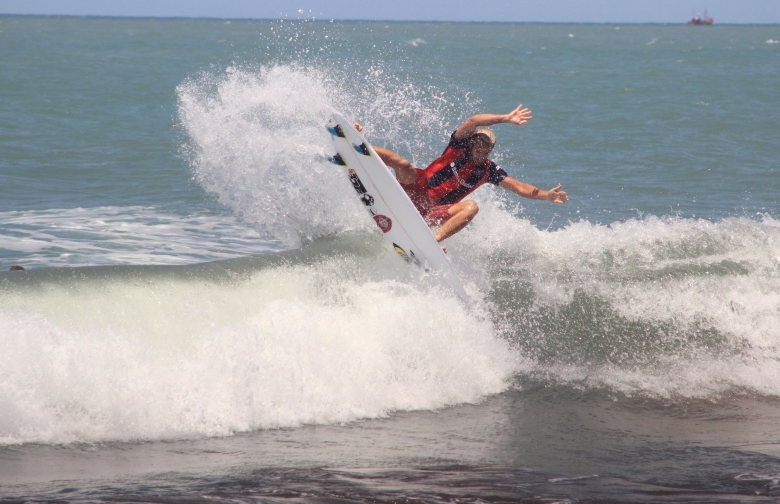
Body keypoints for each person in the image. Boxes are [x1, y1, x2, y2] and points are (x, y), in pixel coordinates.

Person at [355, 104, 568, 243]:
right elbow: (475, 121)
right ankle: (356, 145)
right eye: (478, 141)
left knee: (472, 207)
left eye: (486, 145)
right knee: (403, 165)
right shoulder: (458, 146)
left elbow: (520, 187)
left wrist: (546, 196)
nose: (480, 147)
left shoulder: (488, 171)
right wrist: (505, 118)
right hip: (418, 190)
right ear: (472, 142)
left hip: (432, 212)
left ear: (490, 149)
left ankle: (433, 242)